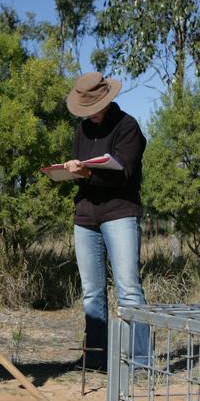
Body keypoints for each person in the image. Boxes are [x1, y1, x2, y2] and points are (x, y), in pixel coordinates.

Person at [62, 71, 150, 371]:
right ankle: (96, 358)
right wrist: (72, 170)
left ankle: (139, 361)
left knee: (128, 289)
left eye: (94, 106)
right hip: (85, 216)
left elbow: (124, 175)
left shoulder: (128, 127)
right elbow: (80, 170)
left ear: (107, 99)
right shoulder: (82, 130)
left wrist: (89, 173)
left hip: (120, 213)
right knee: (91, 292)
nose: (90, 114)